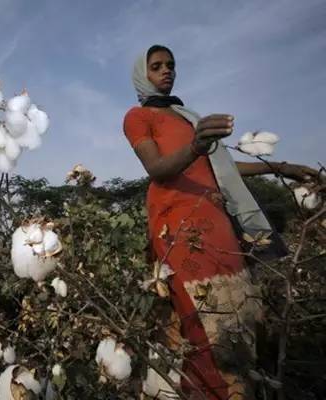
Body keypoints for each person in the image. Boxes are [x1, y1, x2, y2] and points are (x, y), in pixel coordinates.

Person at [122, 45, 318, 399]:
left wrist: (281, 168)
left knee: (236, 318)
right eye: (156, 66)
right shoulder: (138, 117)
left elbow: (221, 167)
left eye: (170, 65)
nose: (166, 71)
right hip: (179, 225)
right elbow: (157, 169)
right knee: (201, 323)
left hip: (218, 221)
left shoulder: (187, 117)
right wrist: (197, 145)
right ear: (143, 75)